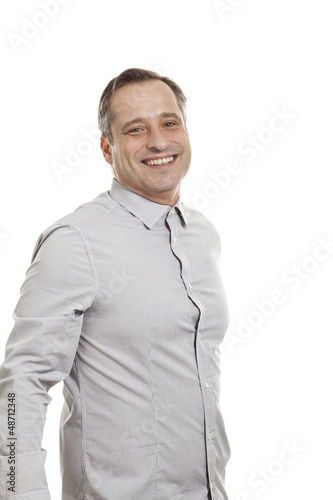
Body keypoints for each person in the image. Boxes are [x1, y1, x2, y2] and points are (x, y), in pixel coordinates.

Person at [0, 68, 231, 500]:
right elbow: (22, 383)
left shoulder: (202, 235)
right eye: (135, 130)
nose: (159, 142)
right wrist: (18, 491)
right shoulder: (76, 243)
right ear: (108, 149)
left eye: (169, 122)